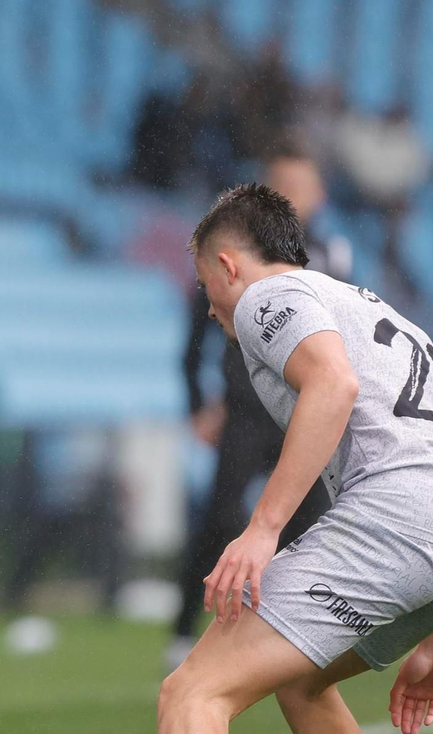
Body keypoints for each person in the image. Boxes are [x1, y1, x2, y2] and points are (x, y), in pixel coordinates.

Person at [137, 184, 433, 734]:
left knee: (193, 689)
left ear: (228, 263)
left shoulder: (267, 301)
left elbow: (329, 386)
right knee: (301, 684)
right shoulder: (383, 316)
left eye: (208, 287)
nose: (212, 310)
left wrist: (263, 529)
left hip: (397, 522)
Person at [168, 149, 345, 670]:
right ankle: (183, 629)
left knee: (309, 526)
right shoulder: (235, 253)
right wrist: (198, 404)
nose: (293, 194)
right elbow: (195, 328)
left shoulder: (331, 252)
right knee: (221, 520)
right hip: (245, 410)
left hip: (302, 413)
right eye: (282, 183)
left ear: (319, 195)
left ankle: (291, 632)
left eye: (301, 184)